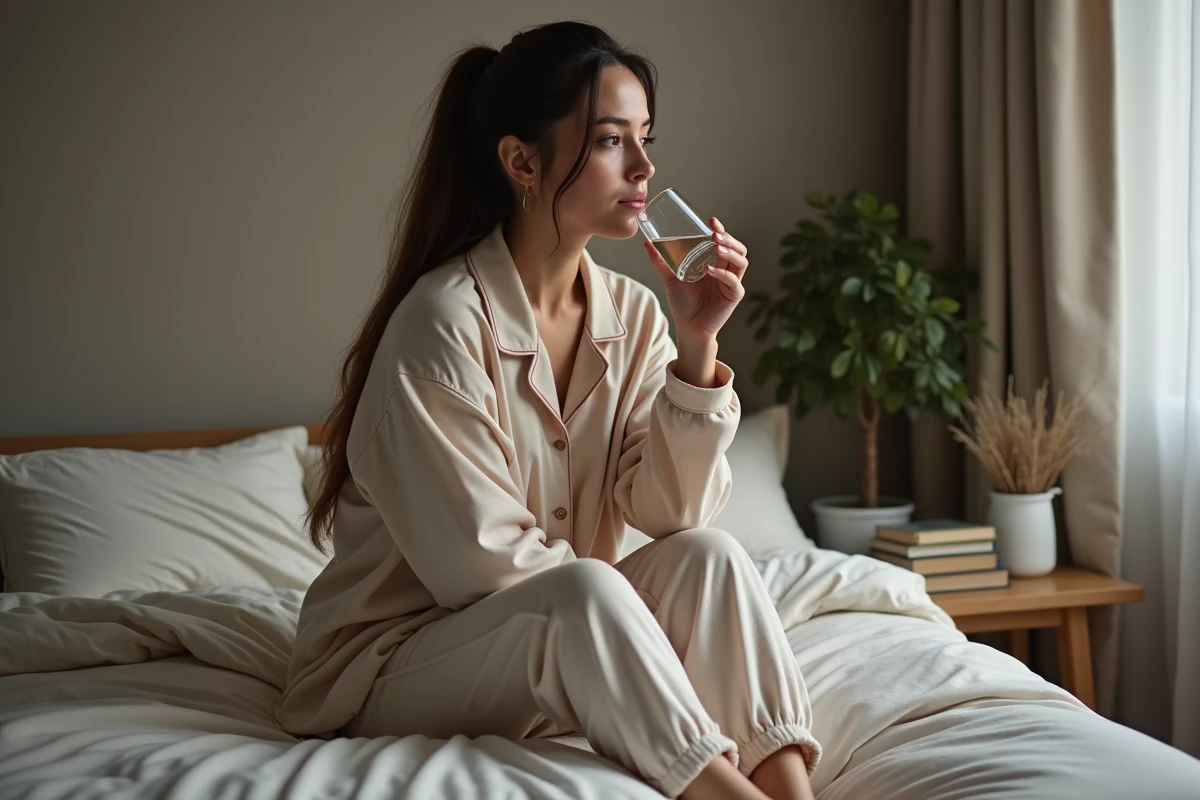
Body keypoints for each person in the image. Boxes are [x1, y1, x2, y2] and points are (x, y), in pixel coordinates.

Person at [277, 20, 821, 800]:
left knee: (711, 556)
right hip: (392, 666)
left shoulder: (633, 313)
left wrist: (697, 343)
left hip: (541, 641)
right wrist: (622, 627)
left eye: (645, 138)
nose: (644, 165)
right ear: (521, 161)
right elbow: (482, 567)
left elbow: (672, 511)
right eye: (610, 142)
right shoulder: (442, 323)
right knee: (587, 590)